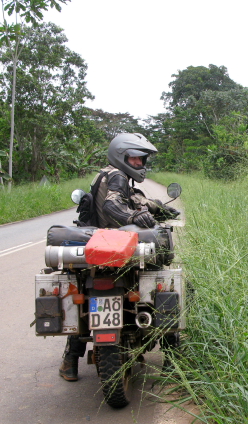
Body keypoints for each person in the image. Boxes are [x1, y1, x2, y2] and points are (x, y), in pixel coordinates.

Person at [59, 133, 179, 381]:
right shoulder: (116, 176)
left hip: (96, 251)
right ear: (120, 155)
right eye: (134, 159)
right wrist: (133, 218)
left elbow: (139, 201)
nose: (140, 164)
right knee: (161, 288)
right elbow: (112, 206)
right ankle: (173, 357)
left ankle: (70, 361)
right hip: (118, 249)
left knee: (80, 296)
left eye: (141, 159)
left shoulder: (109, 175)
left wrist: (161, 208)